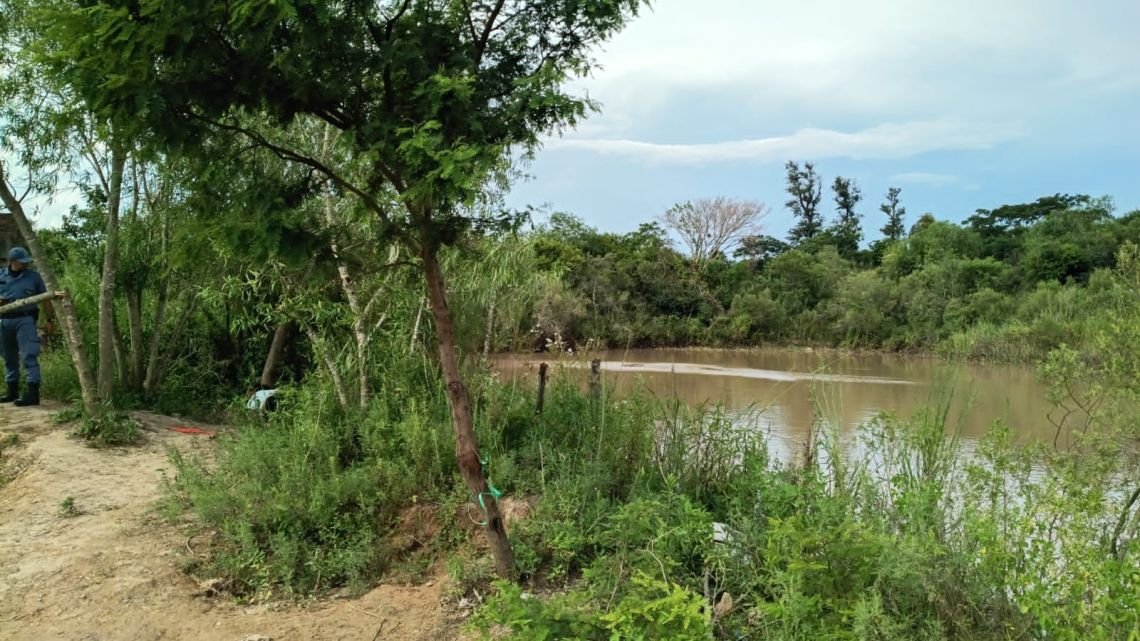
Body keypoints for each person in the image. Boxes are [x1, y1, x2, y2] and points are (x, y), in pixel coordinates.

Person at [0, 247, 47, 406]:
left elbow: (45, 298)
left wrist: (50, 320)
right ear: (12, 262)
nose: (25, 264)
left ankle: (33, 393)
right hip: (5, 320)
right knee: (8, 356)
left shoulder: (34, 277)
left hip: (26, 319)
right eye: (22, 262)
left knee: (29, 355)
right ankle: (11, 391)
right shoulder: (1, 276)